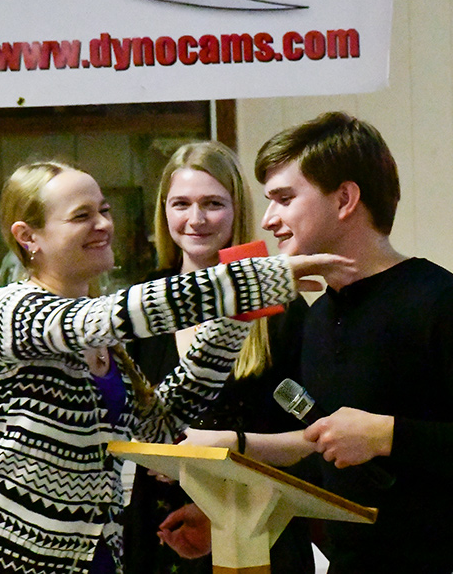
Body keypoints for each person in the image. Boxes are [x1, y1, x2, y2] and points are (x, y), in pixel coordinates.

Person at [162, 112, 453, 573]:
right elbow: (328, 457)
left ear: (345, 199)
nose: (268, 220)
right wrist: (227, 504)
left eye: (285, 199)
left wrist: (388, 435)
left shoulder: (447, 305)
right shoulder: (319, 316)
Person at [0, 161, 353, 574]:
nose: (103, 225)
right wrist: (250, 281)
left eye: (104, 210)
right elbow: (113, 314)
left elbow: (163, 425)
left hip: (93, 557)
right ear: (28, 236)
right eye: (82, 216)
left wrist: (234, 321)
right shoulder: (11, 310)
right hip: (8, 561)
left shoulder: (105, 341)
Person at [121, 142, 314, 574]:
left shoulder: (279, 305)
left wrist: (224, 456)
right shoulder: (143, 304)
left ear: (237, 210)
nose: (196, 219)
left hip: (257, 529)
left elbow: (315, 439)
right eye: (181, 204)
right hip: (159, 533)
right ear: (163, 212)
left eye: (212, 204)